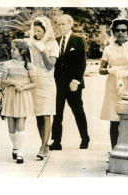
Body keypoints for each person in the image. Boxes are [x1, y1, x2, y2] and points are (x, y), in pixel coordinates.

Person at [50, 14, 90, 150]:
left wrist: (76, 81)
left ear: (70, 24)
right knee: (57, 114)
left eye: (63, 24)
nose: (60, 27)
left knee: (78, 112)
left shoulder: (78, 40)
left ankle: (85, 137)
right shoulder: (55, 41)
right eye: (58, 24)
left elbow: (82, 63)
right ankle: (56, 142)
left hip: (73, 84)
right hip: (58, 84)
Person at [26, 17, 59, 159]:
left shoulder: (53, 44)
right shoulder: (32, 43)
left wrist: (44, 50)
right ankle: (44, 145)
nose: (36, 33)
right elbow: (28, 61)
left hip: (47, 83)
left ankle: (43, 146)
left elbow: (50, 65)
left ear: (45, 31)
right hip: (35, 82)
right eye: (35, 31)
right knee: (39, 115)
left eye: (39, 31)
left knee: (46, 115)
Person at [1, 39, 37, 164]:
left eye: (13, 49)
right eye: (11, 48)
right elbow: (2, 82)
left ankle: (20, 153)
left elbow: (34, 83)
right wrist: (12, 82)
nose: (11, 51)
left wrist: (23, 87)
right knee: (11, 128)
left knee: (20, 124)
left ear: (21, 51)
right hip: (11, 96)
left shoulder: (30, 66)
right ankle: (15, 146)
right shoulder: (7, 64)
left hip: (23, 96)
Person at [99, 18, 128, 150]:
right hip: (113, 85)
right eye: (117, 30)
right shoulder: (108, 49)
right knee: (114, 119)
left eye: (123, 30)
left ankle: (127, 149)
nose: (120, 33)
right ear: (113, 32)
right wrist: (109, 70)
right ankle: (114, 150)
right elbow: (101, 70)